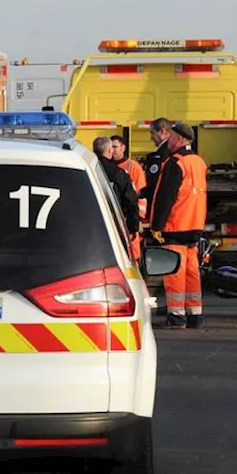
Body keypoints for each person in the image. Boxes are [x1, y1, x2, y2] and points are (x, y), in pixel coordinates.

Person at [148, 122, 208, 328]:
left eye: (172, 137)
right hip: (194, 224)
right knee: (192, 271)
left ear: (180, 139)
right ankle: (195, 314)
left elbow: (166, 197)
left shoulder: (176, 163)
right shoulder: (199, 162)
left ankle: (176, 315)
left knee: (174, 272)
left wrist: (156, 225)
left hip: (177, 225)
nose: (169, 141)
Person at [92, 136, 141, 244]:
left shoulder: (88, 169)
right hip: (113, 224)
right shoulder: (118, 173)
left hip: (90, 224)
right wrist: (133, 227)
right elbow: (131, 201)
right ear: (109, 150)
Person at [141, 117, 178, 223]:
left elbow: (155, 185)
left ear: (162, 131)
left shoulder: (160, 155)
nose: (151, 137)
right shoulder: (174, 150)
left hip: (160, 211)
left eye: (152, 133)